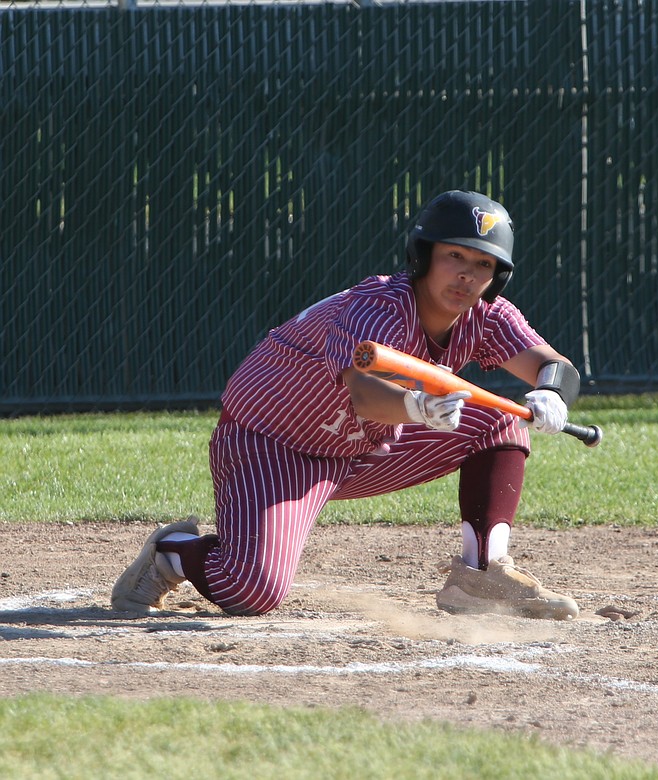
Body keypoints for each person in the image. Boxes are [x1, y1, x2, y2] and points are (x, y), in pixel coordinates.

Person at [111, 190, 581, 621]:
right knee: (251, 590)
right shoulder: (378, 306)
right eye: (454, 255)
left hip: (361, 448)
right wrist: (418, 407)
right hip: (274, 444)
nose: (466, 274)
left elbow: (553, 364)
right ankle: (172, 552)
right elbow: (364, 394)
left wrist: (553, 391)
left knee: (501, 418)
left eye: (481, 264)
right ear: (423, 256)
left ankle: (481, 575)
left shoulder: (486, 316)